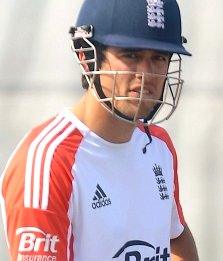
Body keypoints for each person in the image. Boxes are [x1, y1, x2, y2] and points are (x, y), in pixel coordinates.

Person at [0, 0, 199, 260]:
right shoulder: (48, 160)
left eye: (159, 58)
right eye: (131, 55)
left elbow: (177, 236)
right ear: (86, 57)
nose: (147, 74)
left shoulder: (159, 145)